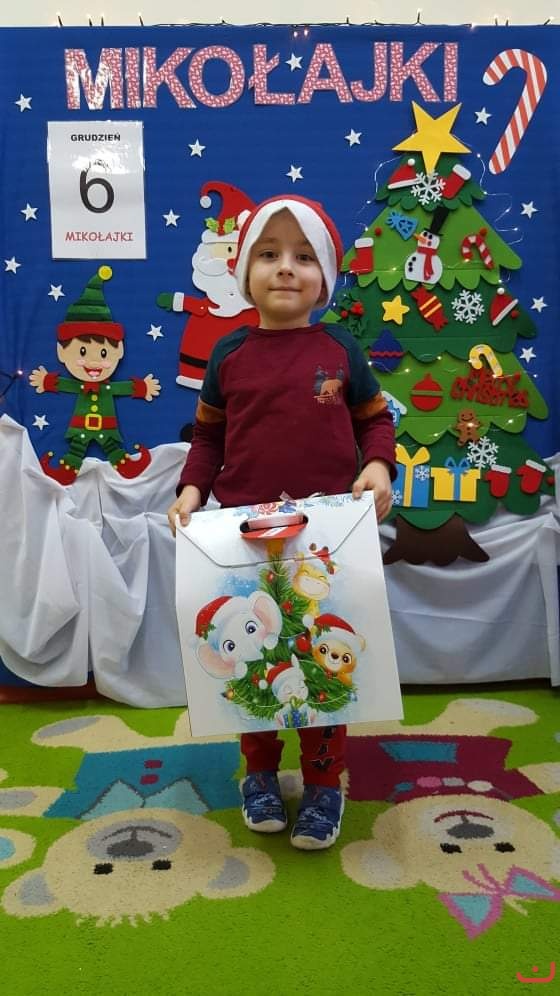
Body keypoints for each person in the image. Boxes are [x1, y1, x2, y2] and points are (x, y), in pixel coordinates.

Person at [168, 194, 396, 850]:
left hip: (327, 540)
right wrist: (191, 490)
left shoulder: (341, 350)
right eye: (269, 254)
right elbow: (208, 438)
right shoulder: (229, 354)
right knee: (253, 660)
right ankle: (260, 773)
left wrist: (377, 467)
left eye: (304, 257)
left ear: (325, 278)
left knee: (325, 663)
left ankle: (324, 782)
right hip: (242, 538)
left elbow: (375, 420)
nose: (286, 268)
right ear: (245, 274)